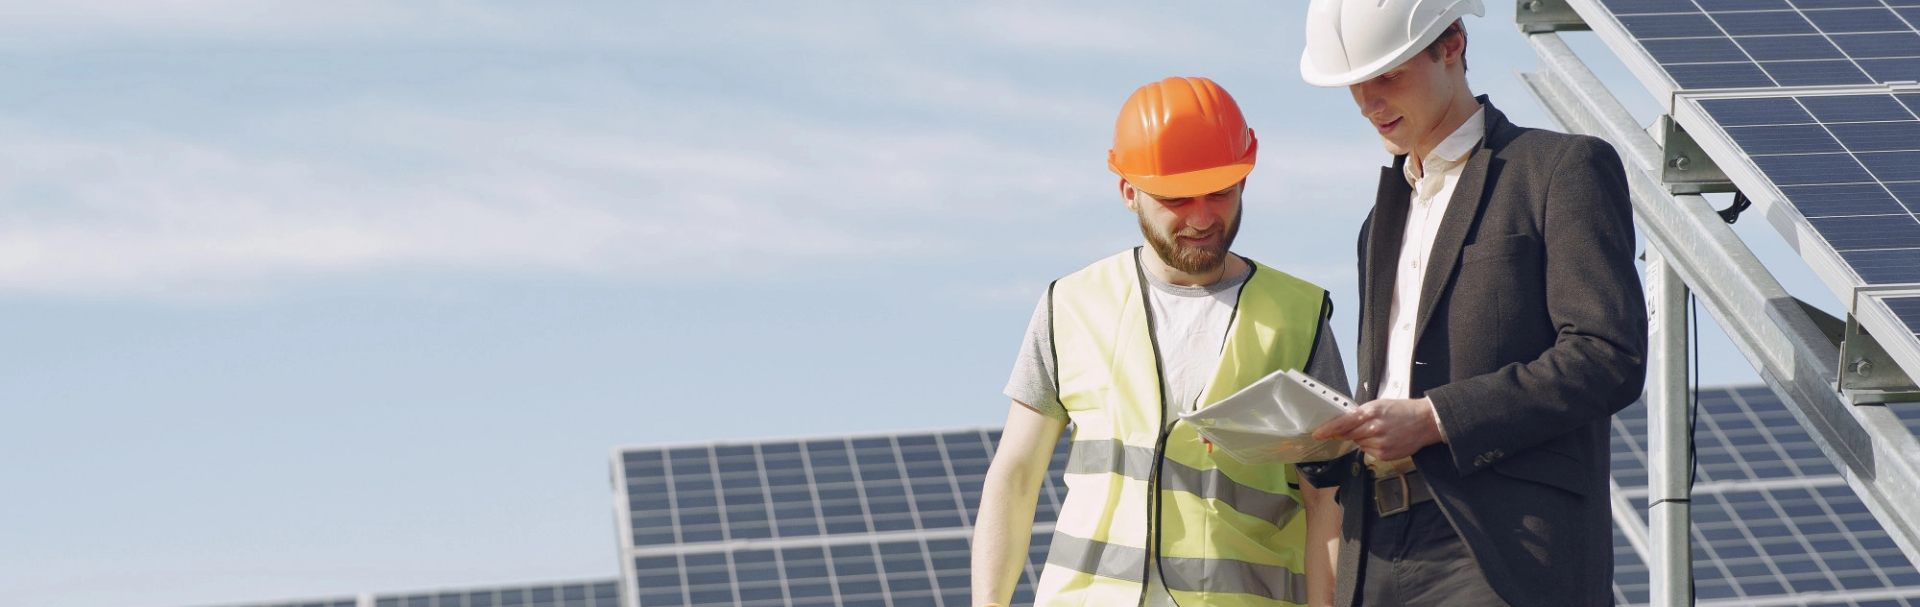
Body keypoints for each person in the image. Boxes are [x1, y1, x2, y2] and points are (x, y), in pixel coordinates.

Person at [1295, 1, 1648, 606]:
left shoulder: (1560, 169)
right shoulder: (1378, 223)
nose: (1369, 103)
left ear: (1452, 44)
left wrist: (1435, 419)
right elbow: (1388, 384)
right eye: (1356, 85)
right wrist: (1304, 437)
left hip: (1496, 547)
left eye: (1388, 76)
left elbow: (1607, 355)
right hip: (1374, 547)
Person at [970, 76, 1348, 607]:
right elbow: (1014, 477)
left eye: (1220, 191)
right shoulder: (1071, 306)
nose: (1201, 217)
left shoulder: (1300, 317)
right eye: (1176, 198)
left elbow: (1327, 500)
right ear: (1129, 192)